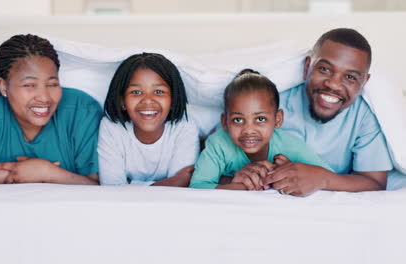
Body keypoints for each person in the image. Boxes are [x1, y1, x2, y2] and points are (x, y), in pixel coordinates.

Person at [0, 34, 102, 191]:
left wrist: (48, 173)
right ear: (3, 86)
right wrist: (8, 175)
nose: (44, 97)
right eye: (29, 85)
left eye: (52, 84)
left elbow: (102, 185)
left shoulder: (81, 110)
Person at [252, 28, 392, 196]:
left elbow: (375, 182)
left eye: (350, 77)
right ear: (306, 68)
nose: (333, 84)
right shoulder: (271, 103)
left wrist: (322, 178)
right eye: (325, 69)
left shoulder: (364, 116)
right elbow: (219, 151)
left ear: (364, 83)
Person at [189, 69, 332, 190]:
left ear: (278, 119)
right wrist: (234, 182)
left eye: (260, 119)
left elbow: (328, 176)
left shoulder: (290, 145)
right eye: (238, 120)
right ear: (225, 122)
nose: (248, 130)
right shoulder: (218, 143)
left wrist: (294, 172)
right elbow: (197, 187)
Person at [98, 53, 200, 186]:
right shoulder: (111, 127)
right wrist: (173, 181)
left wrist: (131, 185)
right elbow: (112, 187)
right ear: (122, 99)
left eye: (158, 92)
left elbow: (179, 189)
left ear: (173, 99)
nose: (147, 100)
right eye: (136, 92)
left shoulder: (184, 127)